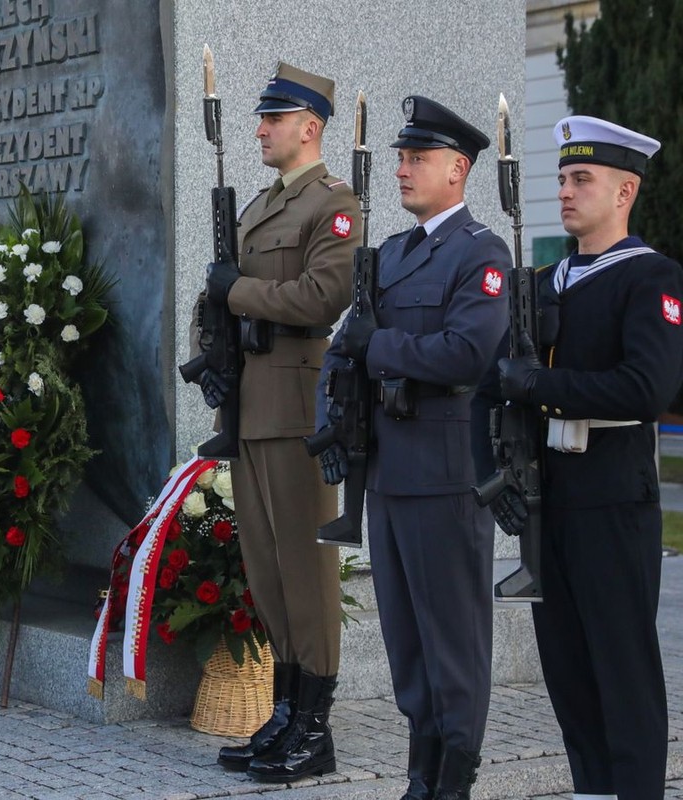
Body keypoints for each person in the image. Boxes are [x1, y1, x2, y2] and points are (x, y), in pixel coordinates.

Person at [317, 96, 510, 800]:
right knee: (406, 641)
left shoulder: (481, 252)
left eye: (417, 158)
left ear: (457, 169)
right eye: (399, 157)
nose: (402, 169)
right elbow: (343, 350)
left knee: (452, 640)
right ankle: (420, 775)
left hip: (448, 475)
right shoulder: (391, 254)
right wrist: (332, 417)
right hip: (390, 475)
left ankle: (455, 777)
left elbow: (466, 353)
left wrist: (383, 347)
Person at [488, 116, 682, 800]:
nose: (565, 192)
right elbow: (499, 385)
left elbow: (647, 387)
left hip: (611, 498)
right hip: (549, 497)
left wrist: (539, 386)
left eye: (582, 180)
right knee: (568, 673)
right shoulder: (544, 283)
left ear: (625, 191)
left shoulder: (651, 277)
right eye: (563, 179)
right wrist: (498, 469)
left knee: (622, 673)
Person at [198, 61, 360, 783]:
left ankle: (315, 726)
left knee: (306, 568)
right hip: (250, 406)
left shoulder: (333, 205)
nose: (260, 129)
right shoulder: (262, 204)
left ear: (310, 128)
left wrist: (239, 293)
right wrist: (211, 343)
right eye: (261, 119)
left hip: (297, 407)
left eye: (273, 119)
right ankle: (285, 710)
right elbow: (223, 291)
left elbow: (321, 297)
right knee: (267, 570)